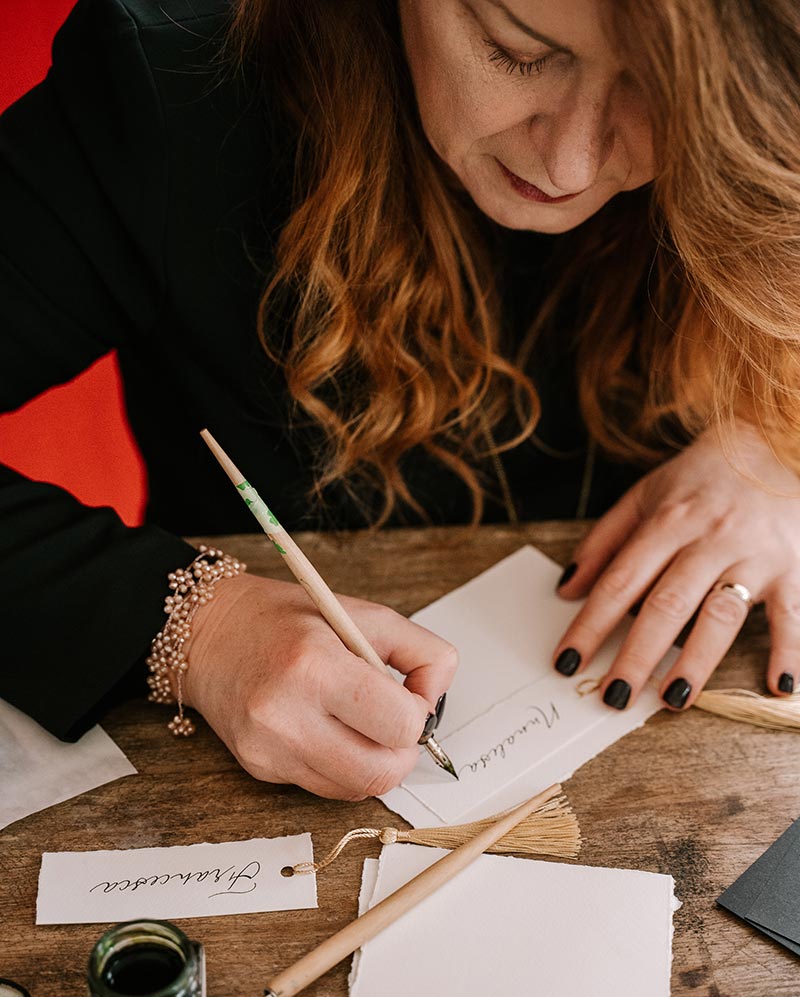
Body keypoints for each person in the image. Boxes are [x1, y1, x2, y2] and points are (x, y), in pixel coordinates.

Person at [1, 0, 798, 800]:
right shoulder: (174, 85)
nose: (571, 164)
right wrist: (195, 627)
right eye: (514, 50)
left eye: (666, 94)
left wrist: (776, 449)